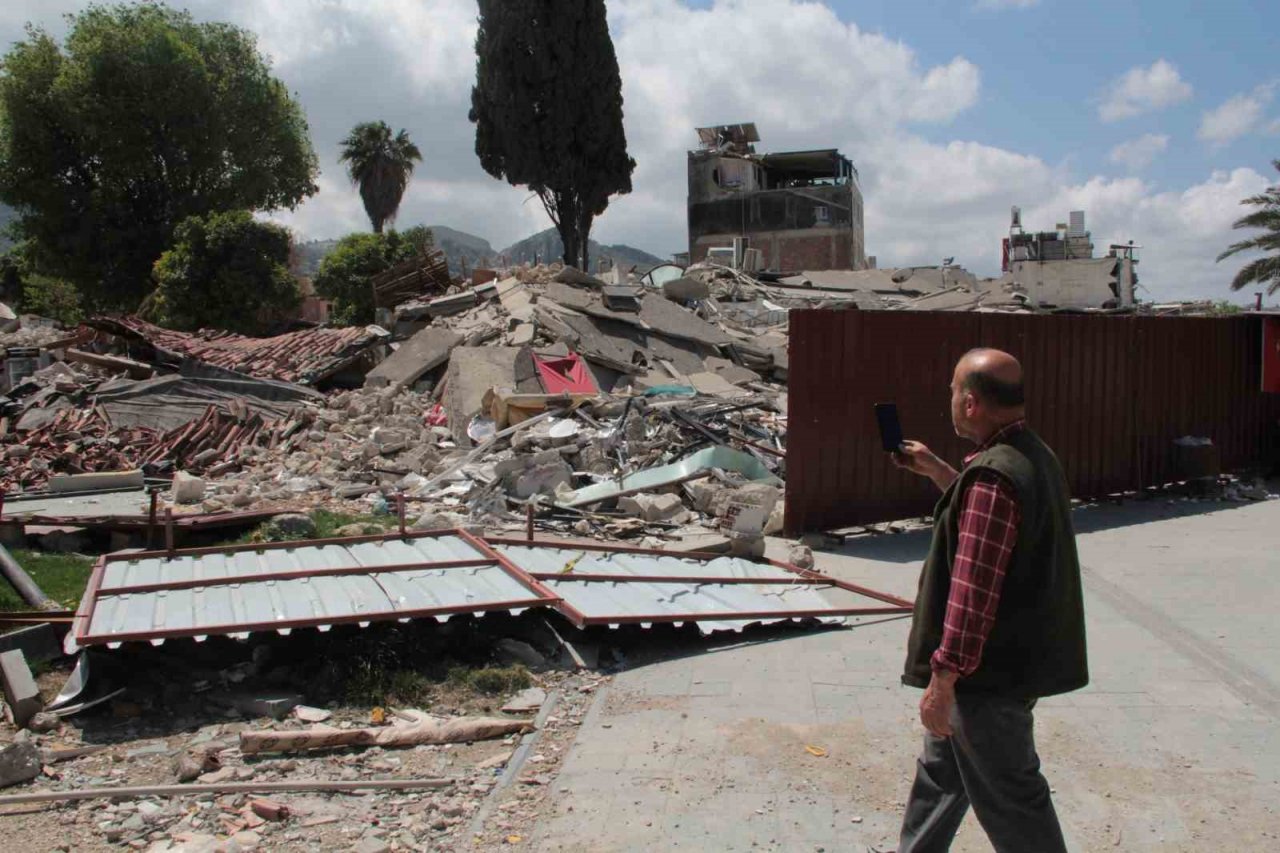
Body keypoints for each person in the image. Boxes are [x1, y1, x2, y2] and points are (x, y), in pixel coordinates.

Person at [891, 348, 1088, 853]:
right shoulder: (1029, 455)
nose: (950, 399)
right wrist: (938, 471)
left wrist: (944, 677)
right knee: (940, 782)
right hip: (1000, 669)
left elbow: (973, 588)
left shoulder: (994, 477)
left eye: (954, 391)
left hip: (986, 680)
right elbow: (993, 524)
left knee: (1013, 800)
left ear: (972, 403)